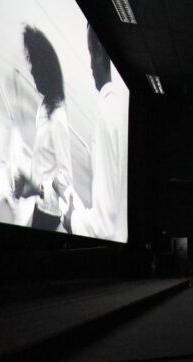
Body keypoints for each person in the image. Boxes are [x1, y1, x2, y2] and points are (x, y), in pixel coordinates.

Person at [60, 26, 128, 242]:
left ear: (99, 51)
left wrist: (72, 219)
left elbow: (103, 226)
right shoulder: (122, 110)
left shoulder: (106, 117)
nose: (90, 65)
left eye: (91, 53)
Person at [13, 26, 72, 232]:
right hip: (39, 203)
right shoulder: (44, 105)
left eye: (34, 65)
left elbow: (65, 180)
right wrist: (28, 181)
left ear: (45, 69)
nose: (31, 71)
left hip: (49, 212)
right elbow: (44, 164)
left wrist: (36, 189)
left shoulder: (58, 119)